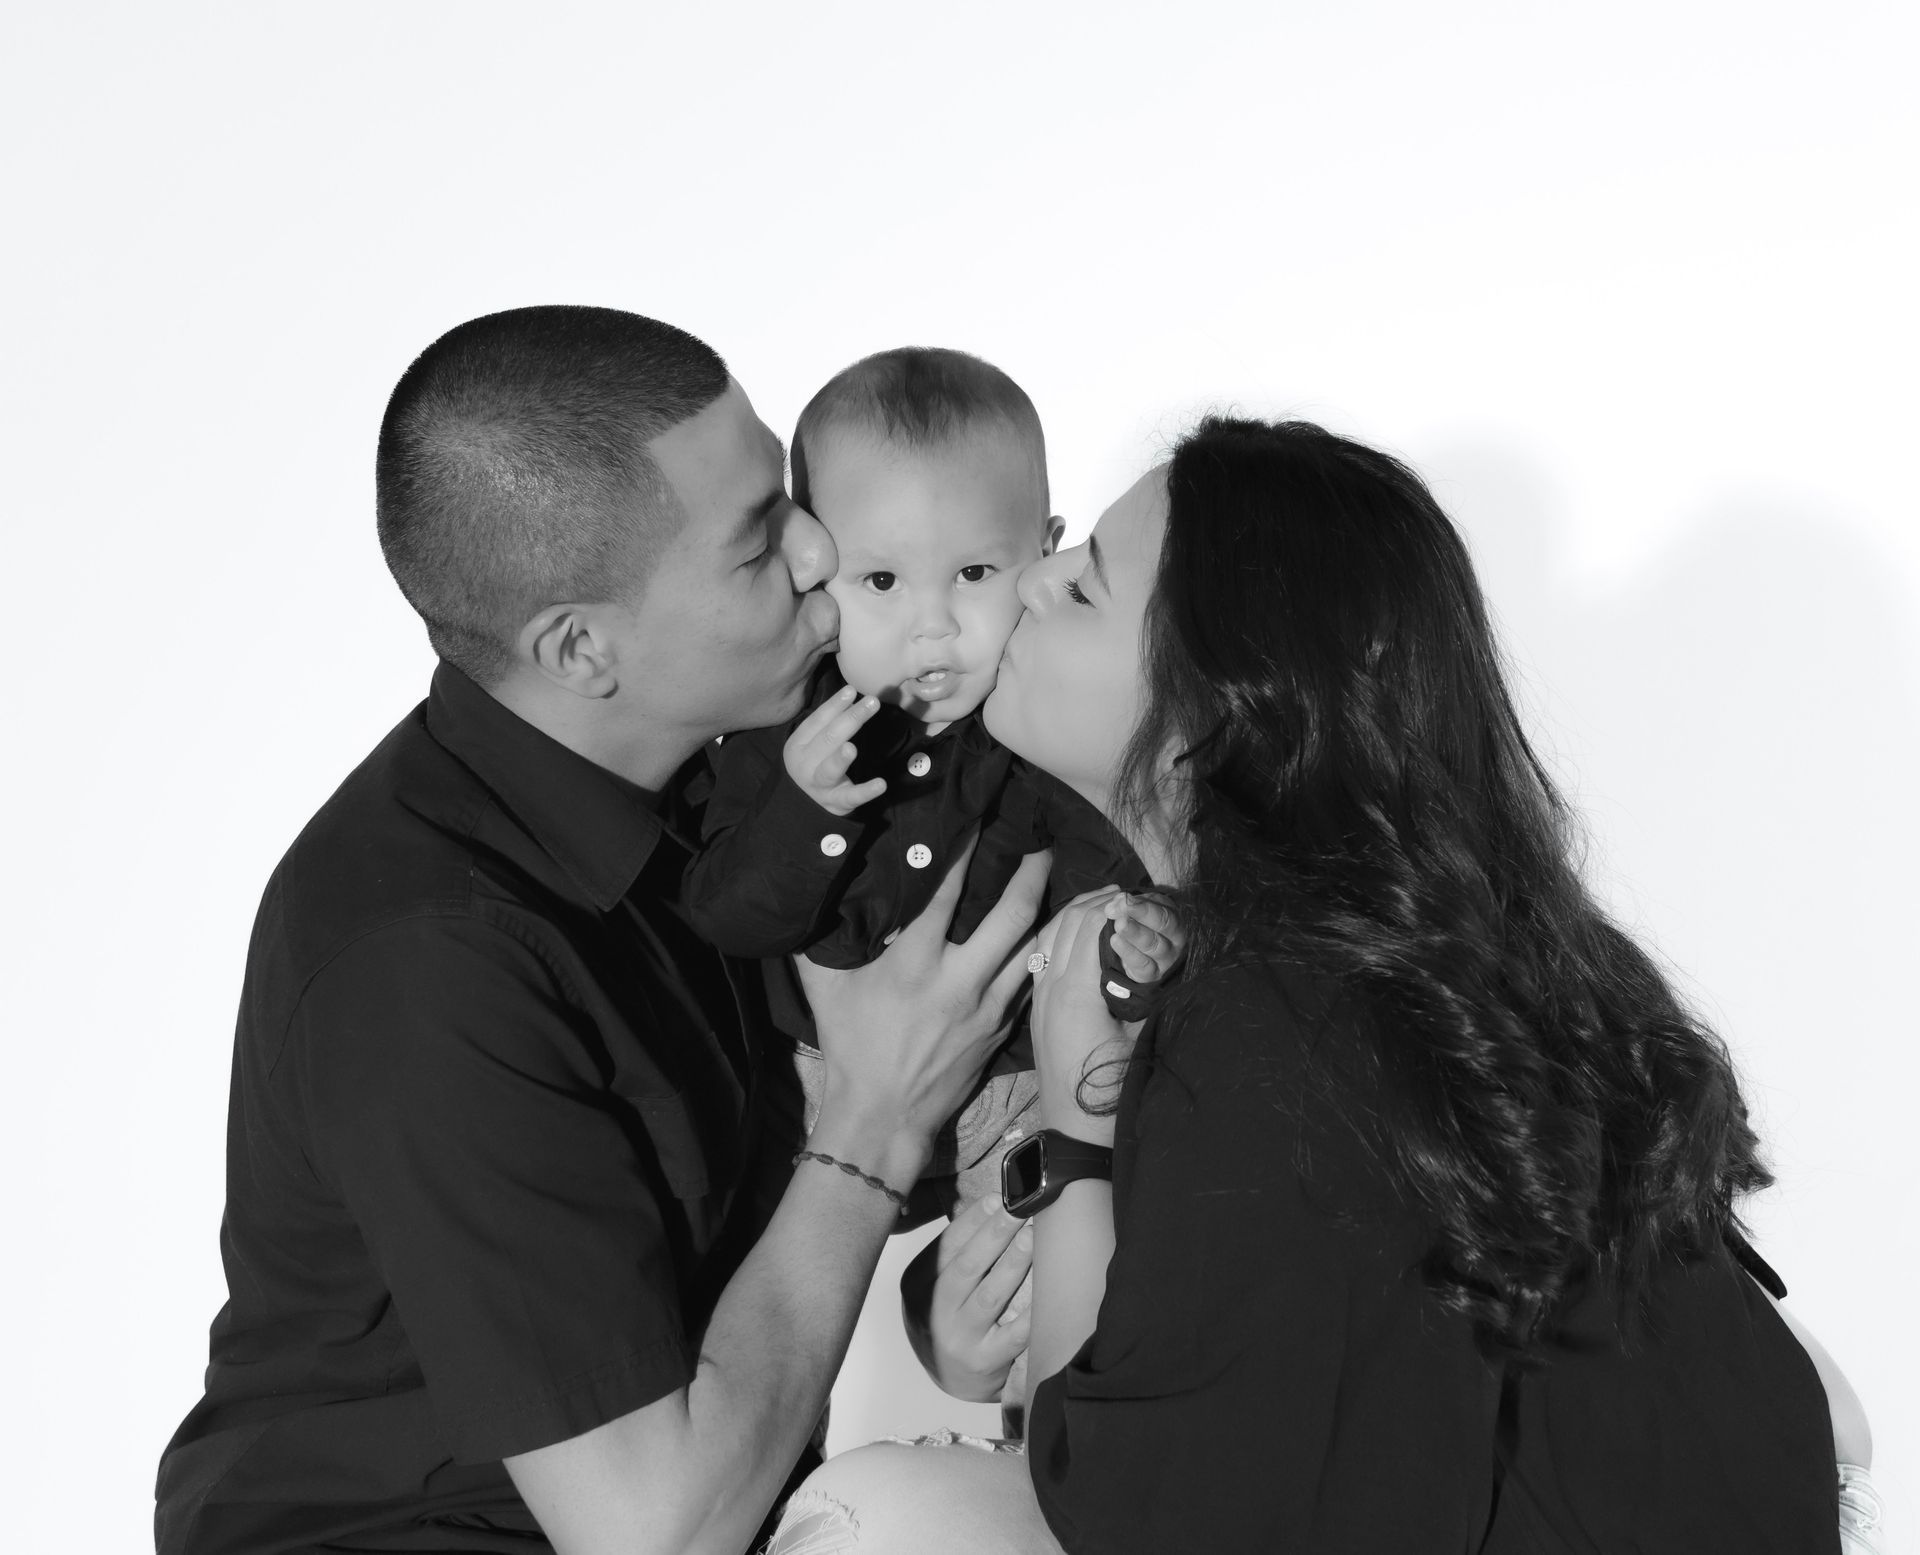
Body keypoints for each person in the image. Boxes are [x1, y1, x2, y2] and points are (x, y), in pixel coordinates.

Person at [769, 417, 1875, 1553]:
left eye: (1087, 585)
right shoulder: (1381, 959)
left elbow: (1127, 1503)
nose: (1035, 580)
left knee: (885, 1519)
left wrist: (1076, 1119)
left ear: (1220, 703)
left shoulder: (1283, 1029)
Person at [153, 305, 1052, 1555]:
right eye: (754, 546)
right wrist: (876, 1119)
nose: (816, 548)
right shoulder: (427, 956)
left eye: (783, 492)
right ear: (580, 648)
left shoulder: (750, 793)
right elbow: (651, 1529)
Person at [684, 346, 1183, 1223]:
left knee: (1093, 1242)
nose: (933, 626)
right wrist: (807, 811)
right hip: (810, 1097)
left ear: (1044, 552)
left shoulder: (1049, 725)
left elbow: (1118, 892)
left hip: (1022, 1092)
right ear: (817, 571)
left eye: (974, 574)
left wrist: (1138, 955)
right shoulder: (787, 737)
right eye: (881, 581)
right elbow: (729, 914)